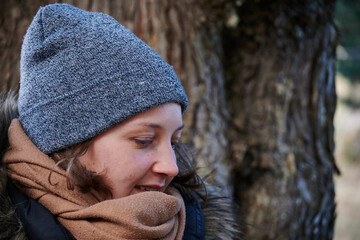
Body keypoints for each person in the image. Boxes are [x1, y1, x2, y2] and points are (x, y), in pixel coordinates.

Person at [0, 4, 240, 240]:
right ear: (66, 142)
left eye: (174, 142)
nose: (171, 167)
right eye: (144, 140)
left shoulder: (194, 227)